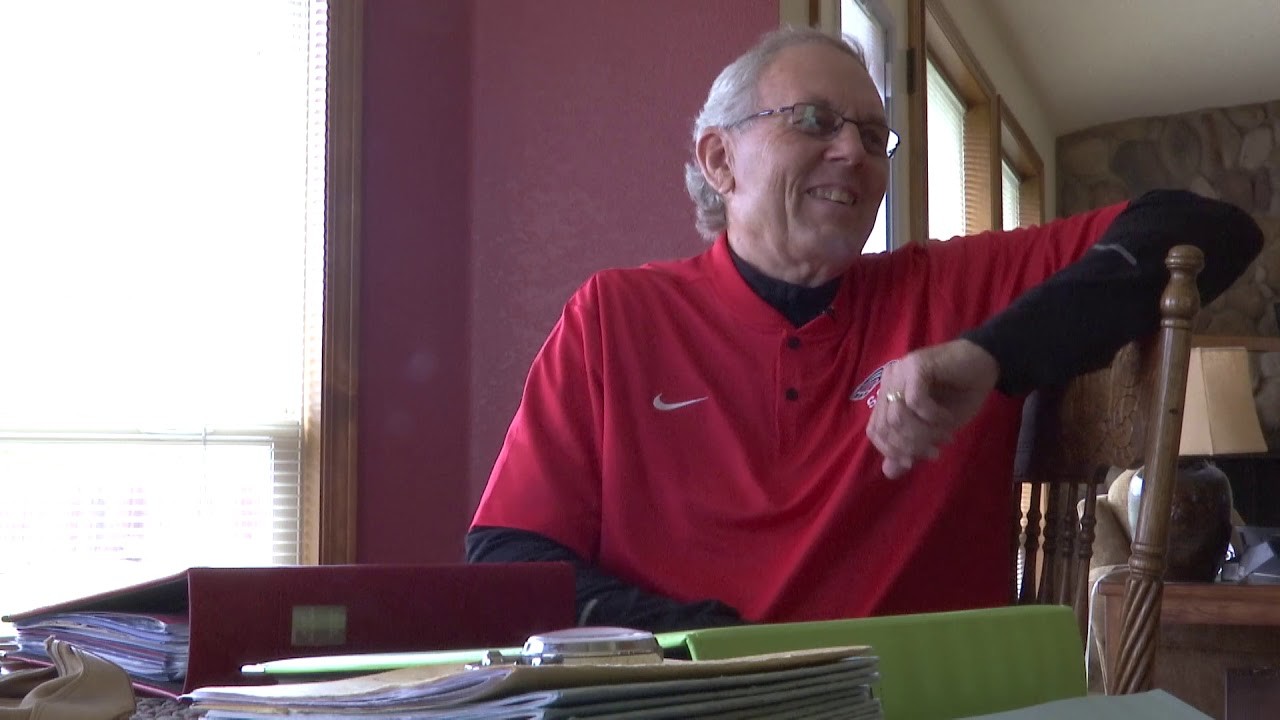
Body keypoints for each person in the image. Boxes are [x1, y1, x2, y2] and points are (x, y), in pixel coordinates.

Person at [466, 27, 1263, 632]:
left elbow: (1210, 230)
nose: (853, 152)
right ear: (719, 160)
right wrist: (714, 653)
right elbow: (510, 560)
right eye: (815, 122)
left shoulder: (954, 288)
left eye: (874, 137)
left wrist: (991, 356)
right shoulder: (614, 318)